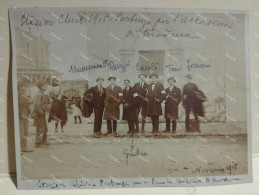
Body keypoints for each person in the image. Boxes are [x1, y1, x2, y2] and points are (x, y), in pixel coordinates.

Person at [31, 79, 49, 148]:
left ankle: (44, 141)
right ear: (41, 86)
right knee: (40, 128)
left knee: (45, 128)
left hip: (42, 114)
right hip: (39, 114)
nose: (47, 86)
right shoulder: (38, 95)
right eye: (45, 85)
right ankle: (38, 143)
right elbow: (36, 106)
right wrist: (41, 112)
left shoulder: (42, 94)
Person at [18, 79, 33, 152]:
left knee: (26, 131)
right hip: (20, 115)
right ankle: (19, 148)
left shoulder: (25, 94)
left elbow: (28, 104)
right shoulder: (17, 94)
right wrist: (20, 113)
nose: (25, 87)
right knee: (21, 131)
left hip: (26, 114)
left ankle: (23, 147)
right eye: (24, 86)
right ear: (20, 87)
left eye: (26, 86)